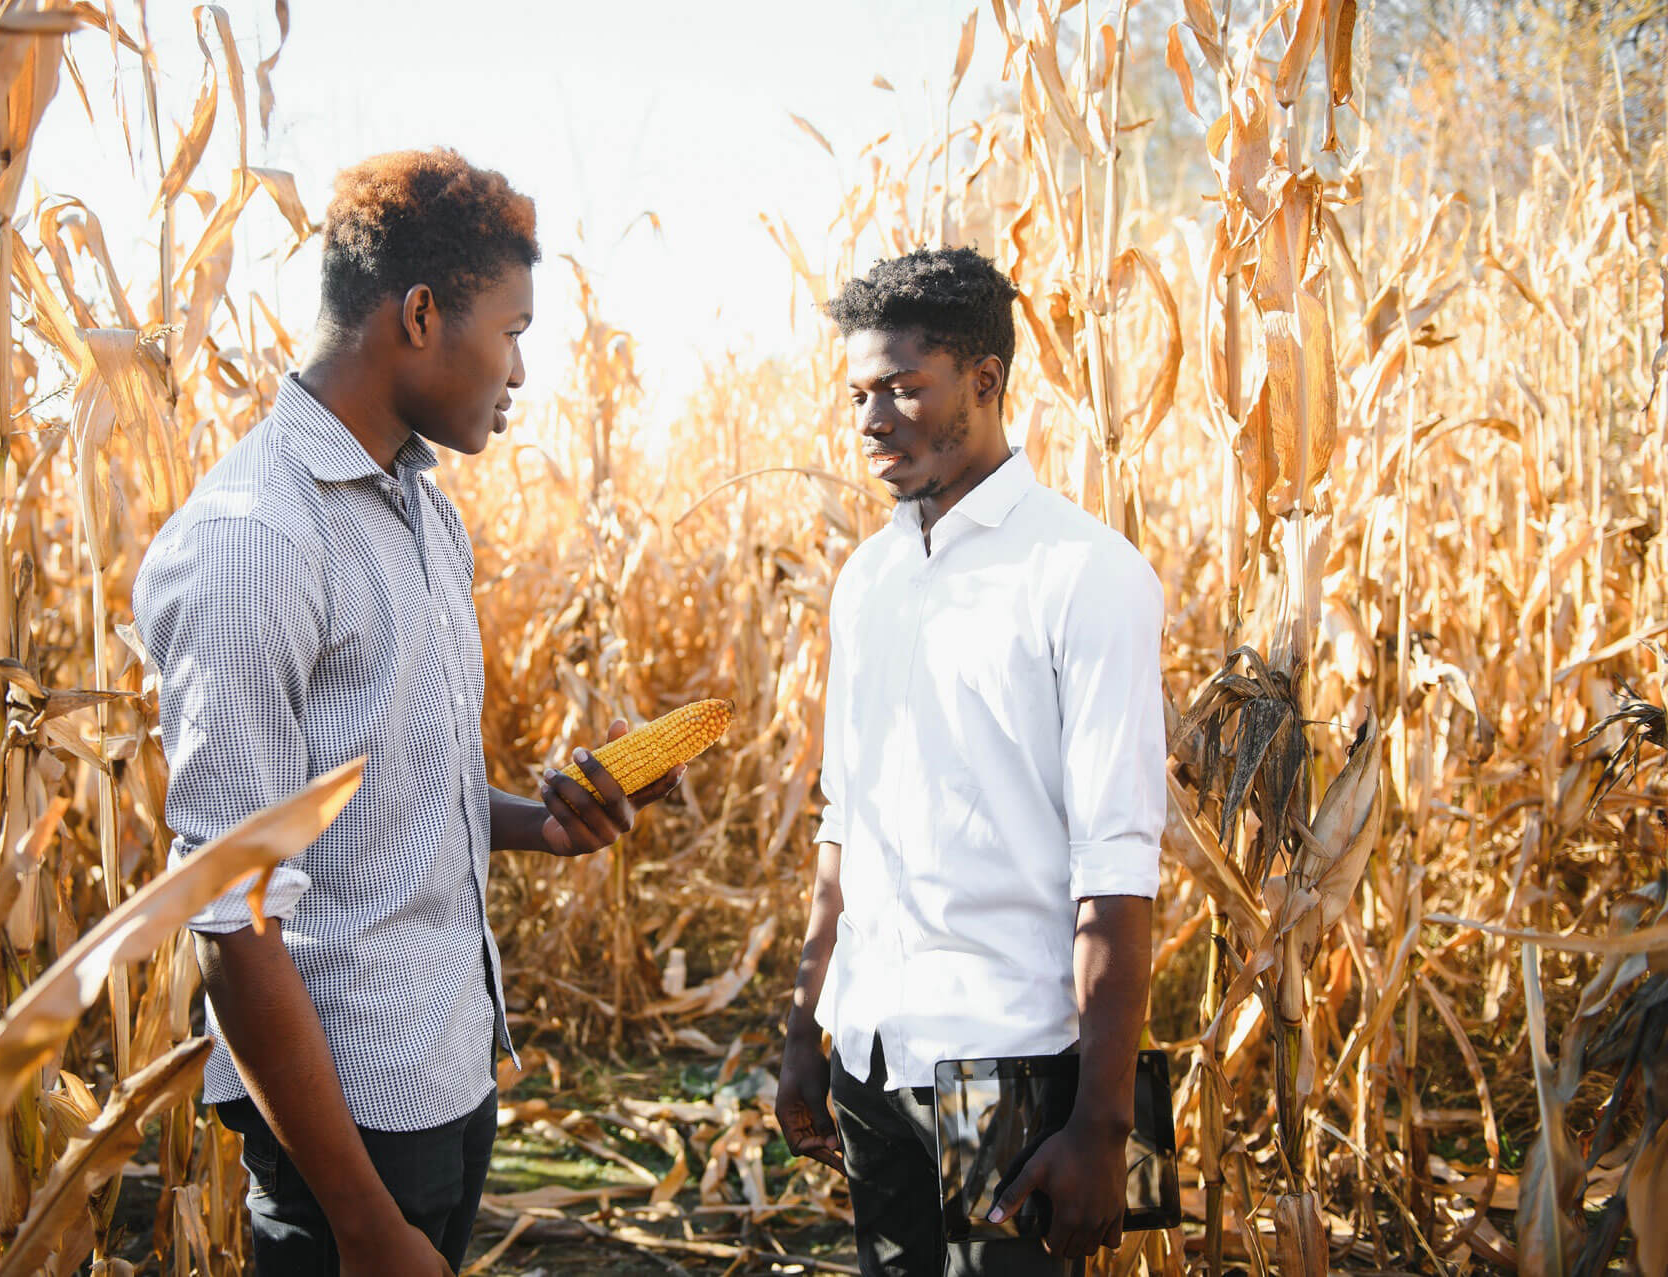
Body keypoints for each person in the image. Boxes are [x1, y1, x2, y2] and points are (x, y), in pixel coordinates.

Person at [133, 148, 680, 1277]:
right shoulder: (256, 540)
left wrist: (544, 820)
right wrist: (363, 1221)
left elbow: (379, 789)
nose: (522, 369)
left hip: (446, 1070)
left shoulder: (424, 514)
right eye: (513, 329)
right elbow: (231, 916)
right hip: (346, 1120)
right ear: (422, 315)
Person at [774, 247, 1165, 1276]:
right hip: (869, 1054)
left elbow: (1118, 869)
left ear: (985, 382)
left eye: (905, 387)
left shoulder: (1085, 574)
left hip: (1007, 1063)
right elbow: (843, 822)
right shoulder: (868, 577)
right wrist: (805, 1027)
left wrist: (1103, 1126)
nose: (872, 419)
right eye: (861, 393)